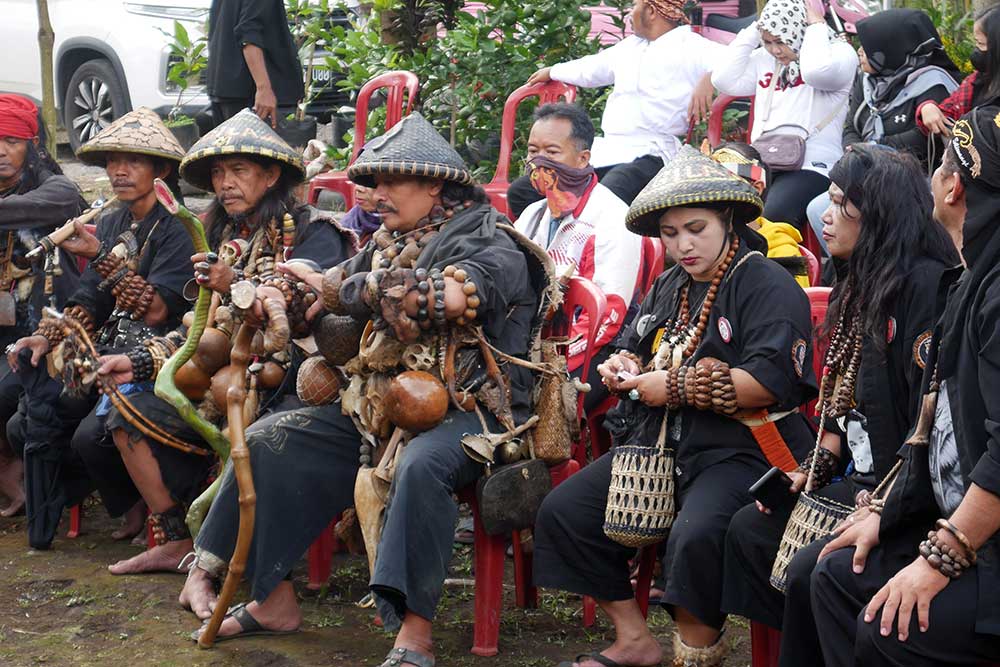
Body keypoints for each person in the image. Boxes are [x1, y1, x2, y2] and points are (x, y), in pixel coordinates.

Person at [177, 114, 549, 665]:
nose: (376, 195)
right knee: (268, 438)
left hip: (474, 410)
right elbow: (323, 305)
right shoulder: (388, 242)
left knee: (421, 466)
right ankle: (272, 599)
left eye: (390, 182)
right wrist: (271, 296)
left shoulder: (492, 244)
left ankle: (413, 633)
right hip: (381, 403)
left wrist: (336, 286)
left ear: (434, 186)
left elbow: (434, 298)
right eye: (371, 183)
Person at [533, 146, 817, 667]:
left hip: (747, 452)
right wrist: (621, 367)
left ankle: (697, 653)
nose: (682, 244)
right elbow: (636, 344)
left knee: (697, 533)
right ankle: (634, 640)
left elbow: (767, 383)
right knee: (565, 512)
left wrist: (677, 387)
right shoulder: (671, 284)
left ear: (727, 220)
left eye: (695, 228)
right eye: (669, 233)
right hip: (666, 442)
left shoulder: (768, 284)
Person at [720, 145, 959, 667]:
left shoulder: (925, 289)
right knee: (750, 530)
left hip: (910, 495)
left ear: (875, 212)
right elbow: (842, 405)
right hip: (864, 481)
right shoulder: (863, 278)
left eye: (838, 202)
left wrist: (881, 507)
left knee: (813, 568)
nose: (823, 216)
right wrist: (812, 472)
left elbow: (927, 429)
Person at [94, 108, 354, 575]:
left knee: (253, 428)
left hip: (296, 378)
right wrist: (142, 361)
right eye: (217, 173)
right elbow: (198, 324)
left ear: (272, 175)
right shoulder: (220, 232)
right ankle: (176, 536)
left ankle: (245, 558)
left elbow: (301, 304)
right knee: (126, 413)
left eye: (238, 171)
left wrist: (236, 282)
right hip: (223, 370)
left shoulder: (315, 231)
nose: (225, 183)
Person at [807, 106, 1000, 667]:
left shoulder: (987, 292)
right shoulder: (972, 279)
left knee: (890, 631)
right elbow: (931, 426)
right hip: (950, 511)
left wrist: (943, 555)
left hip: (986, 543)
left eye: (939, 166)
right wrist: (884, 512)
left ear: (955, 187)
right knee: (835, 576)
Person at [5, 108, 194, 549]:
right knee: (24, 423)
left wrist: (101, 253)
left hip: (158, 355)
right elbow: (90, 298)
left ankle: (145, 507)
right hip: (105, 349)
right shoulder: (112, 218)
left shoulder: (179, 226)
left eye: (132, 161)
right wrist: (47, 336)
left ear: (161, 169)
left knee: (93, 435)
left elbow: (156, 310)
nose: (118, 171)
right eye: (112, 161)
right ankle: (122, 500)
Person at [509, 0, 723, 218]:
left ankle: (594, 249)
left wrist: (711, 77)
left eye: (634, 6)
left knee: (606, 197)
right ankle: (554, 246)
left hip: (653, 153)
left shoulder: (693, 46)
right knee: (522, 192)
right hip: (607, 150)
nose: (630, 14)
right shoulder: (630, 47)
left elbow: (740, 63)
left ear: (650, 11)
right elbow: (591, 69)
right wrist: (553, 71)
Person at [514, 102, 642, 410]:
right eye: (533, 151)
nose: (538, 161)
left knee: (528, 410)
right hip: (534, 343)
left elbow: (609, 314)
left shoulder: (612, 217)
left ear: (583, 158)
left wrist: (546, 365)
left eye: (552, 152)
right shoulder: (533, 214)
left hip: (595, 351)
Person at [0, 94, 86, 516]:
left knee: (4, 389)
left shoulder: (55, 191)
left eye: (12, 140)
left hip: (47, 333)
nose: (1, 150)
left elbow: (58, 202)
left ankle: (14, 469)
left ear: (31, 146)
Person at [712, 0, 858, 231]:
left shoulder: (838, 54)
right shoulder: (766, 60)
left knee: (774, 215)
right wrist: (758, 27)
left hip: (813, 166)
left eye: (780, 41)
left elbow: (815, 73)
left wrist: (816, 27)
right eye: (768, 42)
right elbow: (722, 79)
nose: (775, 50)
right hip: (765, 163)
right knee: (724, 211)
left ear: (799, 28)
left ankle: (784, 267)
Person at [843, 9, 961, 170]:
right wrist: (852, 152)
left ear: (891, 49)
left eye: (869, 46)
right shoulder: (867, 80)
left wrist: (869, 150)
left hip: (912, 180)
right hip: (864, 168)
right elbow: (851, 127)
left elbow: (923, 139)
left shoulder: (932, 82)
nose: (860, 51)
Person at [710, 142, 810, 287]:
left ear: (756, 189)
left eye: (724, 187)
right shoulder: (700, 245)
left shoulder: (782, 251)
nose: (711, 197)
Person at [206, 0, 304, 127]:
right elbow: (249, 33)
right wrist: (264, 88)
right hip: (250, 94)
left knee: (230, 145)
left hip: (224, 84)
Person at [917, 5, 1000, 137]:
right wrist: (927, 108)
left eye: (981, 44)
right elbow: (946, 113)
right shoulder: (974, 82)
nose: (976, 50)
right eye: (976, 43)